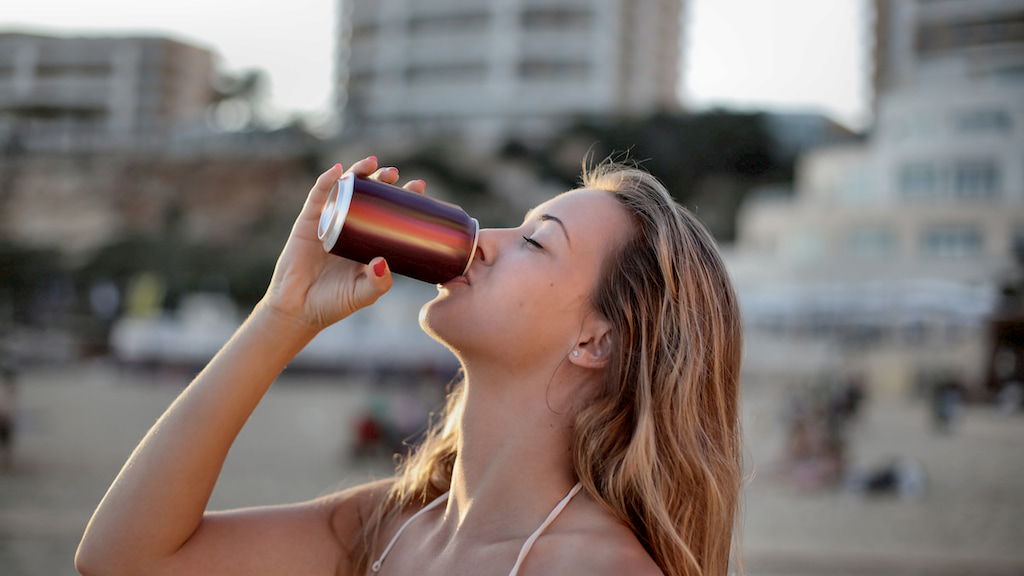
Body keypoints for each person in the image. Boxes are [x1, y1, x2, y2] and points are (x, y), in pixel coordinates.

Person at [76, 156, 744, 576]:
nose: (482, 240)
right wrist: (283, 315)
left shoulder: (594, 569)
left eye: (536, 241)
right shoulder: (390, 528)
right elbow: (124, 557)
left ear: (597, 342)